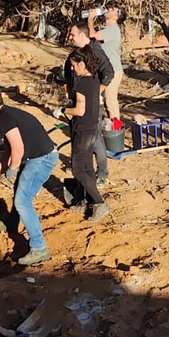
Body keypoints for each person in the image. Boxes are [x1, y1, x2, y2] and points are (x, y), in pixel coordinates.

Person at [0, 86, 58, 266]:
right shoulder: (6, 115)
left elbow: (17, 149)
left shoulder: (5, 120)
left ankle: (39, 247)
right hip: (35, 156)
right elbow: (9, 149)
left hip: (41, 159)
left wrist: (12, 168)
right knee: (19, 190)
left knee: (22, 200)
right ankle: (12, 223)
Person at [64, 21, 114, 184]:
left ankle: (102, 173)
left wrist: (94, 94)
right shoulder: (78, 51)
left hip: (91, 104)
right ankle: (80, 166)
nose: (70, 37)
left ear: (82, 35)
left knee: (95, 139)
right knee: (77, 134)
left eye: (72, 34)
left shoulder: (95, 51)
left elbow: (108, 73)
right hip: (77, 99)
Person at [65, 49, 111, 223]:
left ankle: (99, 202)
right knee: (88, 167)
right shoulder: (94, 79)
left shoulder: (80, 84)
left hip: (82, 130)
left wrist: (63, 110)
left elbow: (79, 110)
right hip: (92, 128)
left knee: (77, 169)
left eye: (73, 64)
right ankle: (84, 200)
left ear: (82, 64)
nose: (72, 68)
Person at [88, 6, 124, 121]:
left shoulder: (112, 29)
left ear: (116, 16)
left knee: (111, 101)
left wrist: (90, 19)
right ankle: (107, 127)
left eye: (113, 9)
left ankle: (115, 131)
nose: (109, 9)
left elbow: (92, 35)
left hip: (113, 71)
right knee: (103, 100)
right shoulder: (108, 29)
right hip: (107, 70)